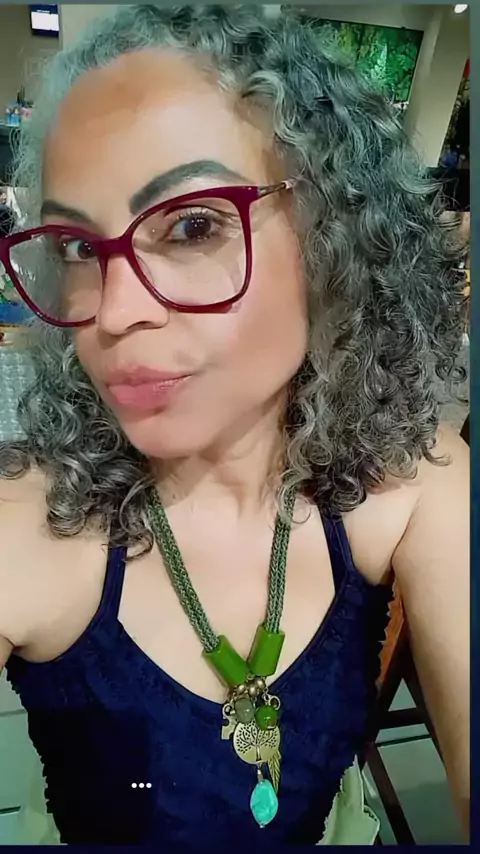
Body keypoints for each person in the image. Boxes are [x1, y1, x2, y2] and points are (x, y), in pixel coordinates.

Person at [0, 4, 469, 846]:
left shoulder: (408, 479)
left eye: (192, 225)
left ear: (333, 235)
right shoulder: (27, 524)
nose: (112, 312)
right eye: (79, 248)